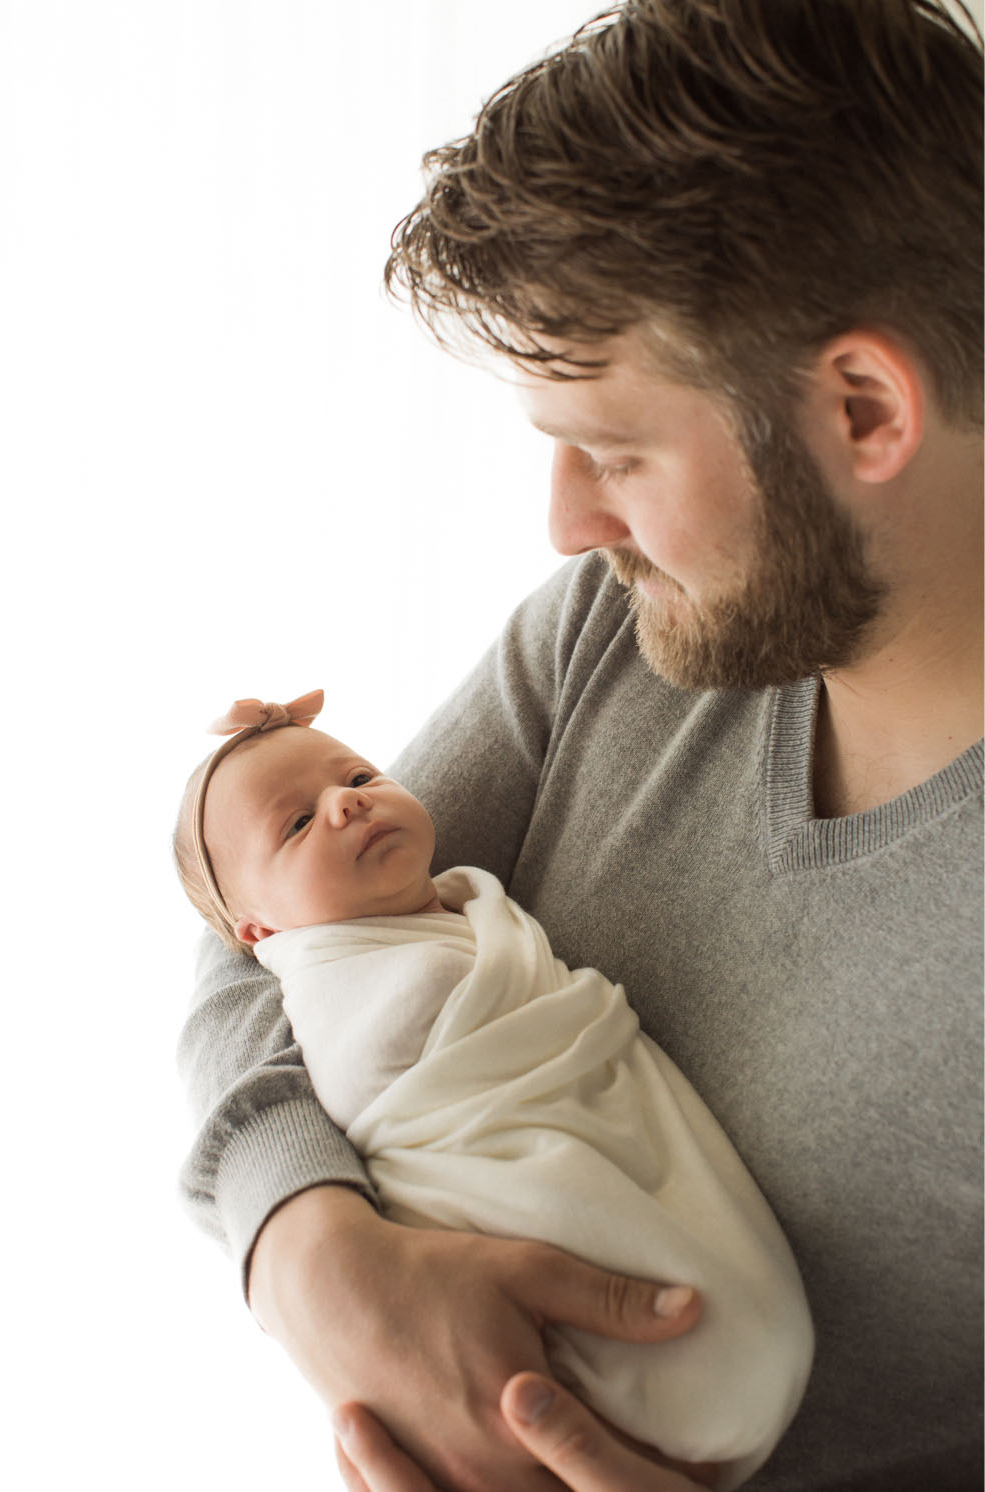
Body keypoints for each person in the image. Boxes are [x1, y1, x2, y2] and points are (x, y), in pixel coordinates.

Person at [176, 2, 982, 1488]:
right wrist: (309, 1254)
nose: (566, 525)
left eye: (614, 454)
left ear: (864, 408)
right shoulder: (614, 636)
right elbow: (261, 936)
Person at [174, 692, 810, 1485]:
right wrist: (313, 1259)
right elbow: (221, 975)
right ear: (263, 935)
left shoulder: (446, 908)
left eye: (362, 775)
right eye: (298, 824)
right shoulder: (342, 985)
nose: (348, 801)